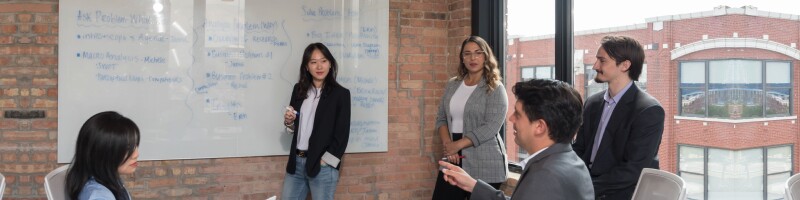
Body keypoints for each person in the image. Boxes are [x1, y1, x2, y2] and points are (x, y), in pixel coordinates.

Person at [439, 79, 594, 200]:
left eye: (518, 114)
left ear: (540, 127)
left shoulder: (546, 176)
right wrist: (473, 185)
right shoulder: (568, 160)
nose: (511, 119)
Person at [572, 35, 665, 200]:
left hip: (619, 194)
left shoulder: (649, 110)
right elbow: (579, 149)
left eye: (602, 61)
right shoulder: (592, 103)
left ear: (625, 65)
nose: (595, 66)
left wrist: (584, 188)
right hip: (585, 186)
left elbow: (632, 170)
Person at [432, 36, 508, 199]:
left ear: (486, 56)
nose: (473, 58)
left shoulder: (495, 87)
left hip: (485, 159)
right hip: (452, 153)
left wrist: (458, 145)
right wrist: (448, 145)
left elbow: (491, 126)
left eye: (478, 53)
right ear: (462, 58)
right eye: (467, 54)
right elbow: (442, 118)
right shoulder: (453, 84)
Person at [282, 42, 351, 200]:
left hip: (322, 167)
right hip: (296, 164)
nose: (319, 66)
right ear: (307, 66)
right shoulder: (298, 90)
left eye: (324, 61)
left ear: (330, 64)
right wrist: (289, 121)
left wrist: (326, 162)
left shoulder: (341, 94)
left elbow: (342, 135)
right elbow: (292, 129)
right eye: (313, 62)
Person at [65, 111, 140, 200]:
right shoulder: (100, 196)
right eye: (128, 148)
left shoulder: (107, 181)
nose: (136, 154)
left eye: (135, 145)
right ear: (103, 152)